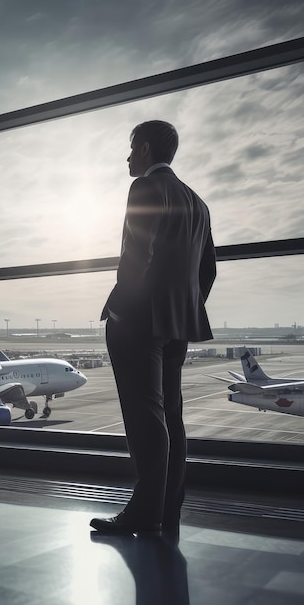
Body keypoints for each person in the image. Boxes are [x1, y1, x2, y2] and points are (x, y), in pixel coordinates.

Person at [90, 120, 216, 536]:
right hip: (178, 324)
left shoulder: (145, 189)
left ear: (143, 149)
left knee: (144, 418)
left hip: (140, 321)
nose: (127, 158)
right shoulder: (198, 202)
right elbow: (208, 271)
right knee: (171, 417)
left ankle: (144, 512)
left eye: (130, 149)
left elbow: (135, 257)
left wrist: (122, 309)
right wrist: (183, 308)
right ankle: (167, 509)